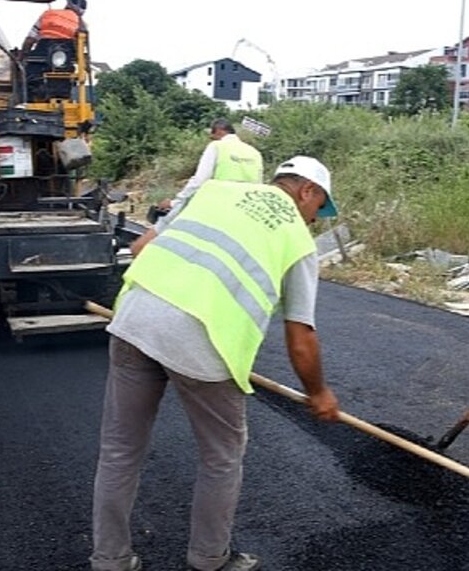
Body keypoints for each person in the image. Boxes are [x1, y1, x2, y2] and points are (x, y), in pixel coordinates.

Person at [91, 156, 342, 571]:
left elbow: (143, 246)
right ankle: (209, 559)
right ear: (306, 191)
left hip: (135, 318)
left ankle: (109, 559)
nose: (315, 219)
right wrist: (319, 392)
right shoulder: (297, 240)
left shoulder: (215, 191)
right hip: (203, 341)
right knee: (222, 457)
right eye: (319, 208)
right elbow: (301, 338)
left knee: (119, 450)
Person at [156, 118, 264, 213]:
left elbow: (199, 180)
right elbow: (259, 184)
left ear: (219, 131)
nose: (211, 138)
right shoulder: (255, 152)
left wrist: (176, 202)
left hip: (220, 206)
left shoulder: (217, 146)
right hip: (245, 208)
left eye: (212, 134)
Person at [20, 0, 87, 56]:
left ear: (67, 4)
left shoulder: (49, 14)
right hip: (66, 57)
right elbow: (80, 48)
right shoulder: (82, 24)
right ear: (82, 12)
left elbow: (30, 39)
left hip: (42, 51)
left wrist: (23, 55)